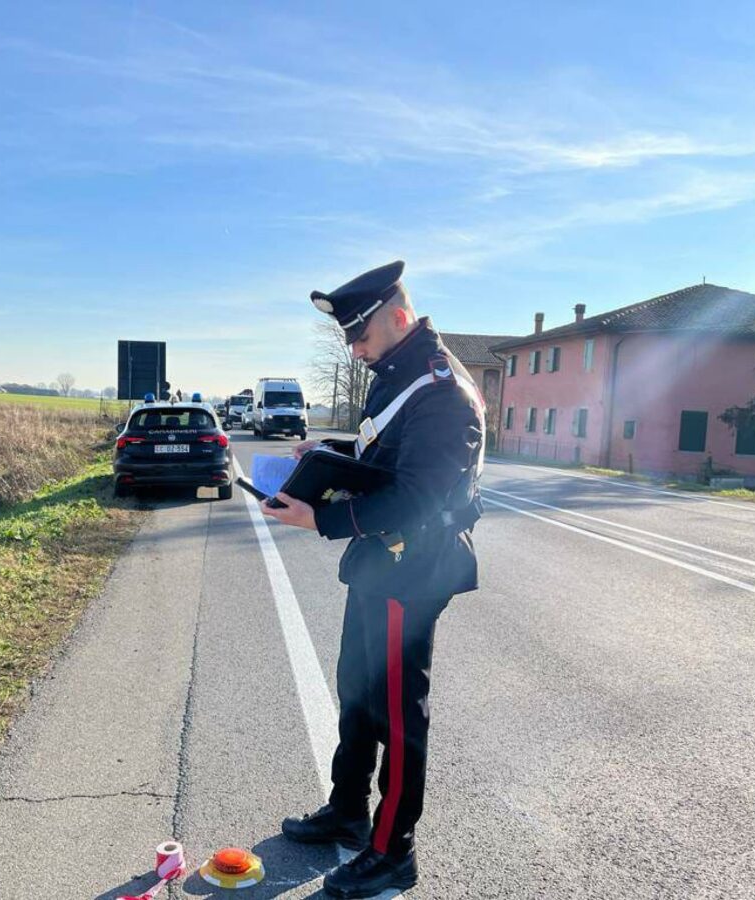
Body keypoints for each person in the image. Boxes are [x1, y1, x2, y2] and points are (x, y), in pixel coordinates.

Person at [260, 260, 484, 899]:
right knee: (356, 689)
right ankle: (350, 810)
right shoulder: (398, 374)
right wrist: (327, 452)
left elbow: (415, 495)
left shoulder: (440, 390)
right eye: (349, 341)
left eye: (360, 337)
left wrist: (322, 519)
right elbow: (383, 455)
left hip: (413, 568)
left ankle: (392, 851)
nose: (354, 350)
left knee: (396, 710)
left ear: (400, 318)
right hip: (382, 562)